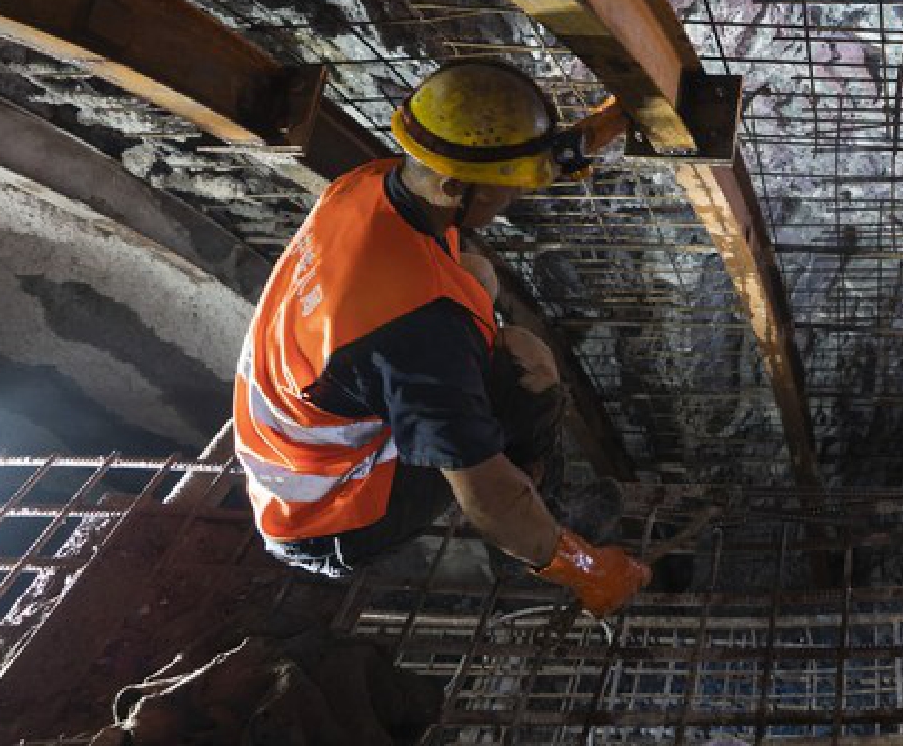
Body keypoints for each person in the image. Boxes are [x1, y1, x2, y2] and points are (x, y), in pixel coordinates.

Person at [232, 60, 649, 616]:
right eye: (504, 190)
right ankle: (541, 519)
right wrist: (585, 570)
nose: (511, 201)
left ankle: (511, 485)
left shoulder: (369, 186)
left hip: (294, 445)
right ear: (456, 185)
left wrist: (614, 120)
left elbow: (521, 162)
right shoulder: (420, 328)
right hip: (329, 516)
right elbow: (486, 495)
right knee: (530, 374)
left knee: (478, 279)